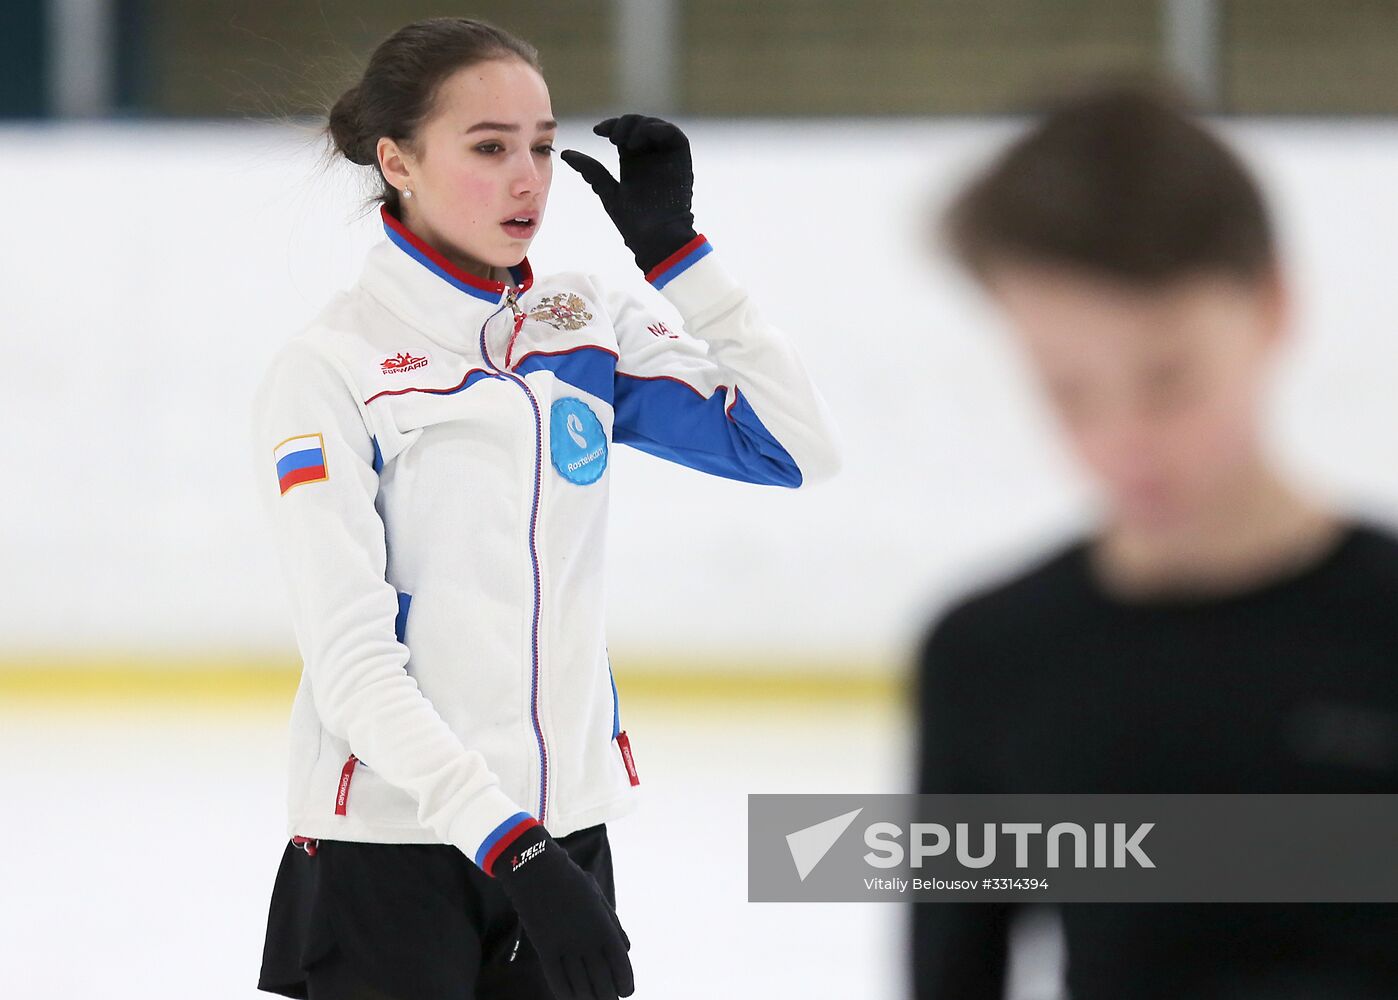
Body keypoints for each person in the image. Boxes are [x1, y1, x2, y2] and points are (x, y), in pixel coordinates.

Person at [250, 16, 841, 1000]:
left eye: (540, 143)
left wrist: (681, 259)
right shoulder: (329, 368)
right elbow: (352, 663)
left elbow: (792, 448)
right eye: (489, 148)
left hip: (562, 839)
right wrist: (512, 847)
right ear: (397, 160)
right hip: (395, 853)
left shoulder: (581, 329)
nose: (530, 177)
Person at [910, 82, 1398, 1000]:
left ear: (1272, 308)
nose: (1125, 440)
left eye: (1169, 378)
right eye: (1068, 389)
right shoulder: (990, 661)